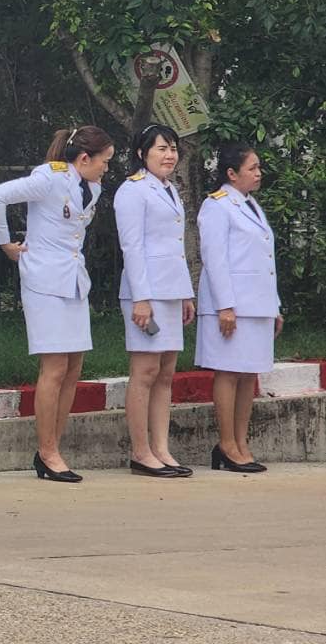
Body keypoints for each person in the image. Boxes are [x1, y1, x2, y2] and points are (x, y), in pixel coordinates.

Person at [0, 125, 115, 483]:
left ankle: (53, 447)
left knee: (73, 367)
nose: (106, 168)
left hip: (72, 281)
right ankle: (47, 451)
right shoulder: (49, 178)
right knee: (55, 367)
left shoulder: (92, 187)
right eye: (104, 161)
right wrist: (5, 244)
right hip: (44, 281)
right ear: (84, 158)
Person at [112, 124, 194, 478]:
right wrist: (141, 299)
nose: (169, 155)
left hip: (171, 291)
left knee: (166, 372)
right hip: (145, 293)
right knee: (145, 371)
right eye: (161, 148)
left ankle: (161, 448)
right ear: (141, 153)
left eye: (172, 148)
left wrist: (186, 293)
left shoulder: (170, 189)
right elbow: (132, 247)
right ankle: (141, 452)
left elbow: (175, 246)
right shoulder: (132, 190)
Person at [196, 143, 282, 473]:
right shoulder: (217, 205)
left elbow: (264, 261)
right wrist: (225, 307)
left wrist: (274, 306)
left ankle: (241, 442)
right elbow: (215, 259)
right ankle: (226, 444)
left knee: (248, 374)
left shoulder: (250, 204)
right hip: (232, 305)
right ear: (231, 173)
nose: (259, 173)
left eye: (259, 167)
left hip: (257, 305)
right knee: (229, 372)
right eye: (252, 168)